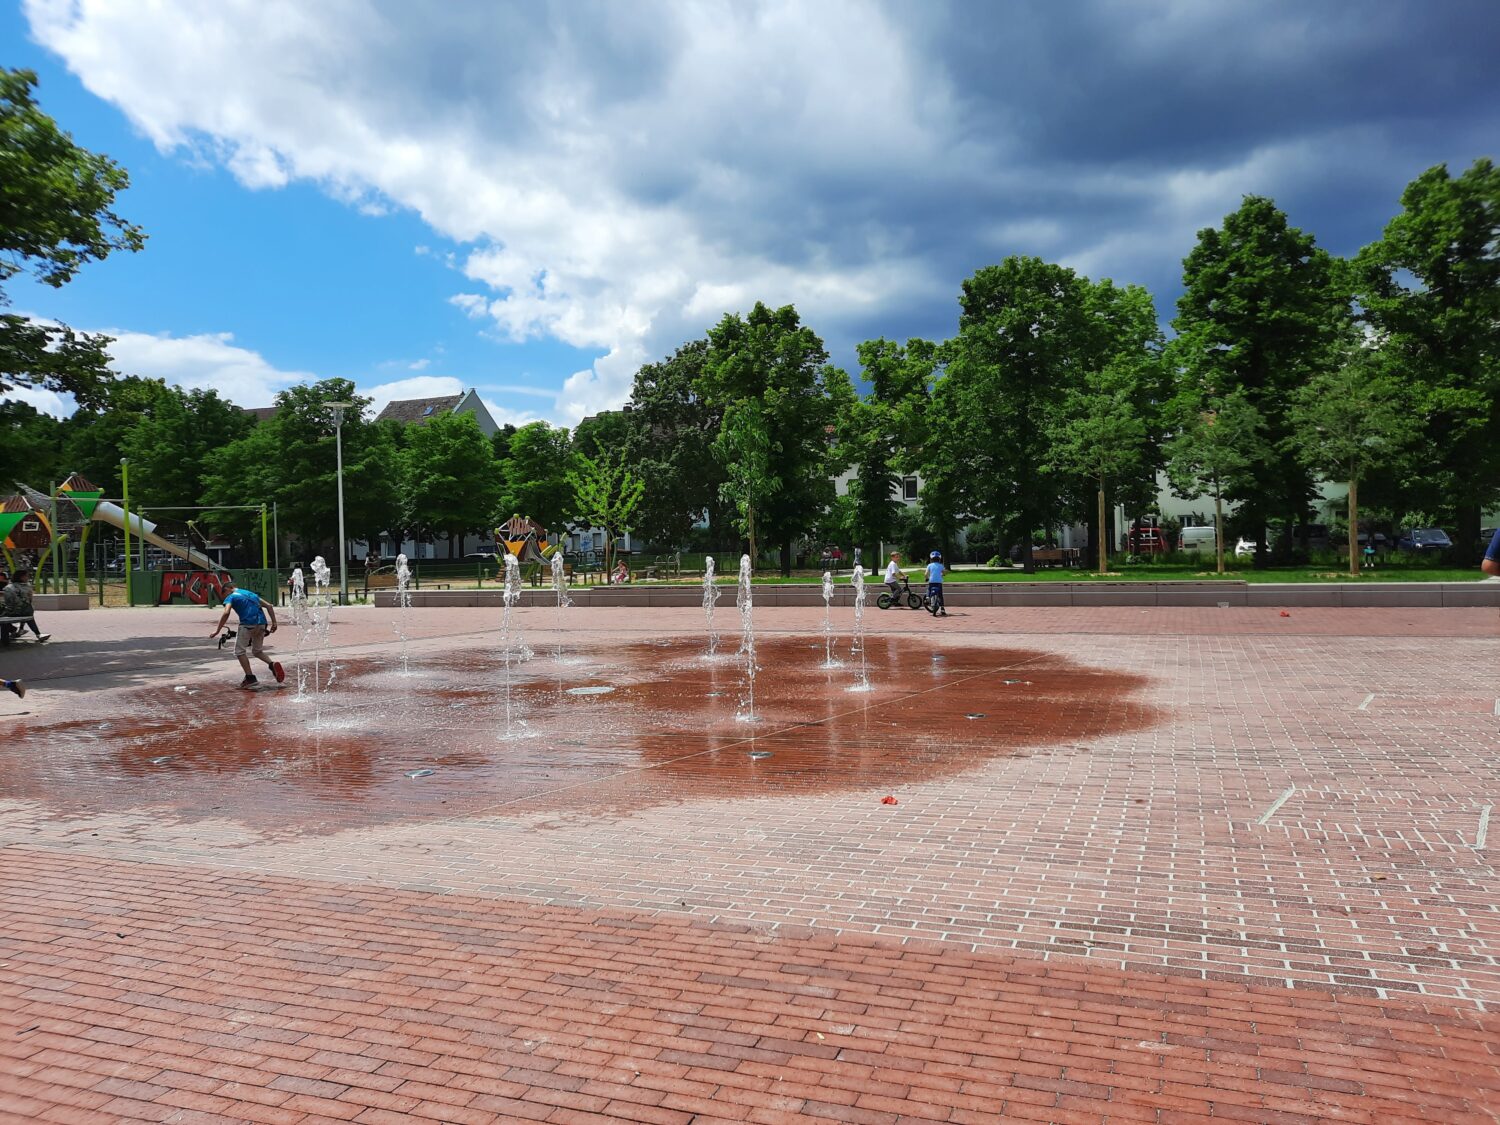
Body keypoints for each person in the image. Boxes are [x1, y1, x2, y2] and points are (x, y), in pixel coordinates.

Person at [211, 577, 284, 689]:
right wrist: (274, 622)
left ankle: (250, 678)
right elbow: (269, 606)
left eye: (224, 594)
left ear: (228, 589)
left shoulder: (231, 597)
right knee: (257, 651)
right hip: (262, 624)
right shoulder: (251, 594)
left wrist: (217, 630)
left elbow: (226, 613)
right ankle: (272, 664)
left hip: (247, 624)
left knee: (239, 652)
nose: (224, 597)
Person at [2, 569, 50, 643]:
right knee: (26, 612)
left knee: (6, 615)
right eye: (27, 576)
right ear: (21, 577)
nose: (28, 578)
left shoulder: (9, 587)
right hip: (22, 610)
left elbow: (9, 602)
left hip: (15, 611)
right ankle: (36, 633)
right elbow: (28, 600)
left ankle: (15, 630)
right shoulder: (26, 586)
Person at [925, 550, 947, 617]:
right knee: (940, 595)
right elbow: (944, 573)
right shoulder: (941, 565)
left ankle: (928, 597)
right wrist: (943, 574)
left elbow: (925, 574)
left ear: (931, 559)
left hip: (931, 581)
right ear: (939, 559)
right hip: (939, 582)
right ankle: (942, 609)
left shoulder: (929, 565)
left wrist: (927, 578)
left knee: (929, 589)